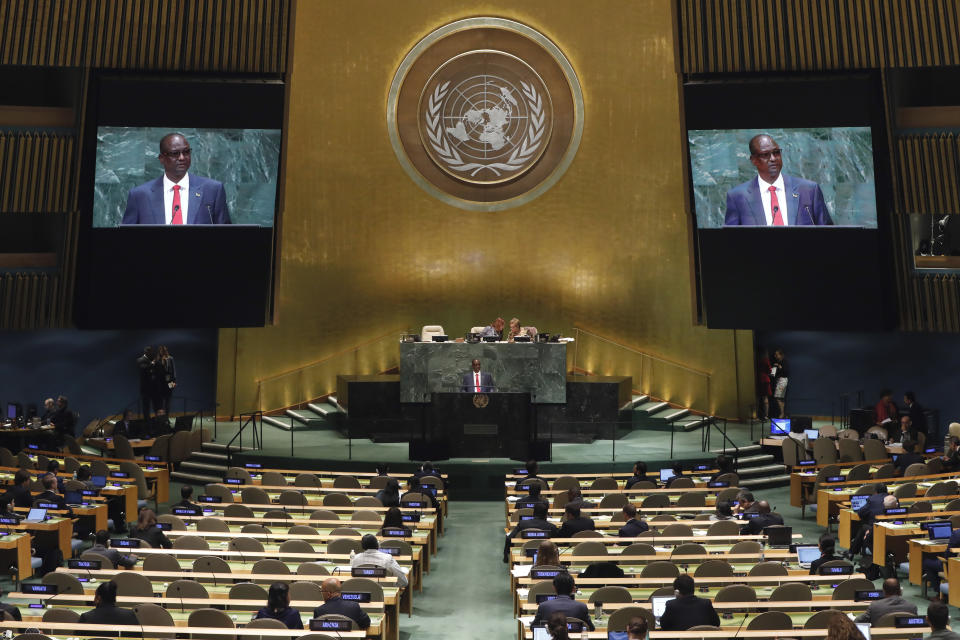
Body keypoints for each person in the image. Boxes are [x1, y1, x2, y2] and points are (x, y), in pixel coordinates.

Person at [723, 133, 833, 226]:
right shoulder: (738, 197)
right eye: (765, 155)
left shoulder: (808, 190)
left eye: (776, 153)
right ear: (754, 160)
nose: (773, 159)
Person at [121, 133, 231, 225]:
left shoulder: (213, 190)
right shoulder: (140, 195)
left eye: (186, 152)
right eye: (175, 153)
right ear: (162, 159)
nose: (182, 158)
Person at [137, 346, 158, 419]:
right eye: (150, 352)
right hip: (145, 389)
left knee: (156, 405)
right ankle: (147, 422)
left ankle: (158, 421)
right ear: (146, 352)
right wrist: (152, 363)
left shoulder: (151, 360)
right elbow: (144, 368)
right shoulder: (140, 360)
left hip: (153, 388)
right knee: (146, 407)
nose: (152, 354)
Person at [156, 345, 177, 413]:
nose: (163, 352)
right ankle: (161, 419)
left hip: (169, 382)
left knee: (168, 401)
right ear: (159, 351)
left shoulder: (170, 358)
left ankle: (166, 418)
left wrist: (174, 381)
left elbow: (174, 371)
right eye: (161, 351)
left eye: (164, 350)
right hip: (161, 383)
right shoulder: (158, 359)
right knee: (160, 402)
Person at [770, 348, 788, 418]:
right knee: (780, 398)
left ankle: (782, 413)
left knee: (778, 397)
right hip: (779, 380)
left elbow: (786, 372)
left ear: (781, 355)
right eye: (775, 354)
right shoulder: (777, 362)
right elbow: (773, 374)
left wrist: (779, 367)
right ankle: (782, 413)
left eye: (777, 354)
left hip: (782, 380)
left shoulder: (784, 361)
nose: (775, 356)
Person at [757, 348, 773, 420]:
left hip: (758, 379)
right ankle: (766, 415)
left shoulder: (756, 359)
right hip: (765, 379)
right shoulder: (766, 360)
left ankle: (758, 414)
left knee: (758, 398)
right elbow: (769, 371)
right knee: (765, 398)